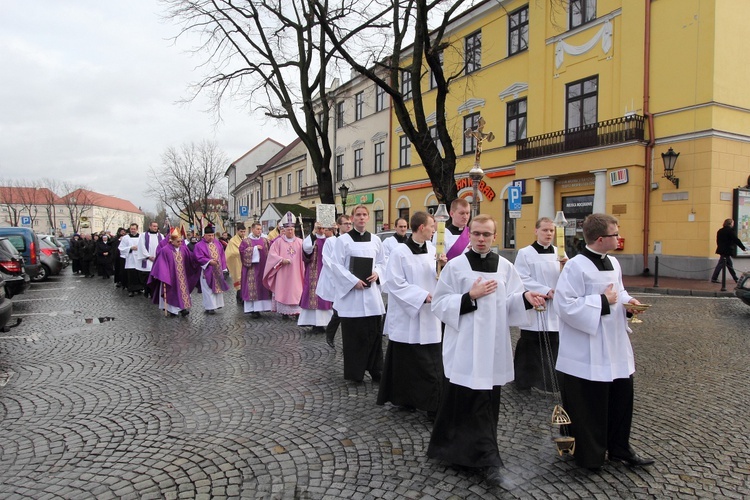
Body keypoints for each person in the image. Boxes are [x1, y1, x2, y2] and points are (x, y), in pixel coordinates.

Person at [428, 214, 546, 488]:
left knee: (486, 402)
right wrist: (470, 297)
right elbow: (440, 304)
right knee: (463, 399)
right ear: (470, 235)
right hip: (465, 346)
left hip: (492, 346)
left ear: (495, 237)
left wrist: (526, 299)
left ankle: (483, 455)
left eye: (487, 235)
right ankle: (462, 453)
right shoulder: (456, 267)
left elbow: (512, 300)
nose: (481, 239)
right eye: (477, 234)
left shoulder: (505, 267)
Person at [554, 213, 654, 471]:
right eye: (615, 234)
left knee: (621, 399)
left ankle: (620, 447)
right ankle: (590, 455)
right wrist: (603, 302)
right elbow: (564, 306)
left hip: (615, 344)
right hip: (587, 349)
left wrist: (628, 303)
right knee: (591, 405)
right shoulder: (576, 266)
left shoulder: (613, 262)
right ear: (600, 239)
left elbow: (617, 292)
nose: (618, 237)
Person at [377, 212, 445, 416]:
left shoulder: (434, 250)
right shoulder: (400, 253)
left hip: (430, 316)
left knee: (431, 363)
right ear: (421, 227)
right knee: (407, 362)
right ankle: (405, 399)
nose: (434, 230)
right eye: (431, 226)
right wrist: (422, 296)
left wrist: (443, 266)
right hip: (408, 315)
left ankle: (433, 404)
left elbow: (439, 278)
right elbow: (394, 283)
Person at [330, 205, 386, 383]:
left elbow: (383, 262)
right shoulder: (343, 240)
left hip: (372, 297)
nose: (361, 218)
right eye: (358, 215)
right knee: (354, 338)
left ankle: (376, 370)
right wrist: (352, 281)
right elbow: (336, 265)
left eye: (364, 215)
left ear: (368, 218)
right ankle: (355, 374)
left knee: (374, 336)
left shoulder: (376, 240)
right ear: (352, 218)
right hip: (353, 297)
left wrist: (377, 273)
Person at [513, 217, 566, 392]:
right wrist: (545, 290)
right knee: (531, 344)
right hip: (537, 303)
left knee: (554, 343)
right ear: (536, 231)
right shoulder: (525, 253)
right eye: (545, 230)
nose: (549, 234)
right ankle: (525, 380)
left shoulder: (561, 254)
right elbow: (521, 277)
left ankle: (552, 382)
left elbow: (569, 278)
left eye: (551, 230)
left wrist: (566, 268)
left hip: (555, 307)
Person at [147, 228, 200, 317]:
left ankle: (183, 309)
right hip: (170, 276)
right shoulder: (165, 250)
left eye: (181, 241)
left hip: (182, 276)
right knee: (171, 292)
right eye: (178, 242)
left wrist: (197, 261)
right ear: (172, 241)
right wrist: (163, 274)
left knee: (183, 292)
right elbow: (161, 263)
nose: (180, 243)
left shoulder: (184, 249)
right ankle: (173, 311)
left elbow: (190, 259)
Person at [263, 212, 305, 319]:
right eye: (288, 229)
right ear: (284, 230)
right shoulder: (278, 242)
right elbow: (272, 256)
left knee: (297, 291)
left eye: (292, 229)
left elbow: (306, 256)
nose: (290, 231)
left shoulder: (301, 242)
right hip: (283, 272)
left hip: (297, 273)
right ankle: (284, 312)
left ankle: (297, 312)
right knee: (283, 291)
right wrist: (281, 260)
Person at [321, 215, 352, 348]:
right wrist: (338, 273)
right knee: (339, 309)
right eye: (345, 223)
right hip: (335, 278)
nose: (348, 226)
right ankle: (331, 333)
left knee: (349, 310)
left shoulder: (353, 240)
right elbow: (327, 260)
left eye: (350, 223)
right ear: (338, 226)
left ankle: (349, 341)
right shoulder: (331, 241)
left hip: (351, 279)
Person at [297, 222, 334, 333]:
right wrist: (313, 234)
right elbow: (307, 249)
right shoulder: (312, 239)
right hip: (313, 271)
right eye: (319, 228)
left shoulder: (329, 240)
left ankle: (325, 323)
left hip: (326, 271)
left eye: (323, 228)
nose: (321, 230)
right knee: (312, 295)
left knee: (325, 297)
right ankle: (313, 323)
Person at [193, 226, 231, 314]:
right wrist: (209, 261)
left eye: (212, 235)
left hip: (218, 270)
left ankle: (217, 305)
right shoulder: (199, 245)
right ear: (204, 235)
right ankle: (210, 307)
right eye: (209, 235)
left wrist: (224, 268)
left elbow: (222, 256)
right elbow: (198, 257)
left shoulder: (218, 243)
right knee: (208, 289)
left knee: (217, 288)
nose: (211, 237)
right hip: (206, 271)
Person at [239, 222, 273, 318]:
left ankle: (262, 308)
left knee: (262, 287)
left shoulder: (265, 241)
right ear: (252, 229)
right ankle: (253, 310)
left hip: (263, 268)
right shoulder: (246, 241)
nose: (259, 231)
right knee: (253, 288)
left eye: (260, 229)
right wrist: (254, 249)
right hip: (251, 270)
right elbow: (242, 252)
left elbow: (272, 249)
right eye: (257, 229)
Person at [710, 218, 747, 284]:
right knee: (721, 264)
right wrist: (743, 247)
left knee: (729, 265)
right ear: (730, 223)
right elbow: (736, 240)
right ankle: (714, 278)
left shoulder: (720, 231)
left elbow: (717, 240)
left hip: (721, 249)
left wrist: (720, 247)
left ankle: (736, 279)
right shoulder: (730, 231)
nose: (733, 224)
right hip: (727, 250)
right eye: (732, 223)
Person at [137, 221, 164, 298]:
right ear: (150, 226)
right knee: (146, 277)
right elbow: (142, 246)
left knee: (156, 277)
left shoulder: (161, 236)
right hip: (148, 259)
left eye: (156, 226)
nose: (155, 228)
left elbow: (164, 247)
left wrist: (158, 257)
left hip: (157, 259)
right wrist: (148, 256)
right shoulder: (143, 235)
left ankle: (154, 293)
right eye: (154, 226)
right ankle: (147, 291)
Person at [119, 224, 144, 297]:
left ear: (137, 229)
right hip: (130, 258)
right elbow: (121, 248)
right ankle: (131, 290)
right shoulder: (125, 238)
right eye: (131, 229)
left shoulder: (141, 237)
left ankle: (139, 288)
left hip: (139, 258)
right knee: (131, 275)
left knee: (138, 274)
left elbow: (145, 247)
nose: (132, 230)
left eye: (134, 229)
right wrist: (130, 248)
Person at [225, 222, 247, 304]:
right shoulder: (233, 241)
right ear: (237, 231)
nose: (243, 233)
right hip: (237, 262)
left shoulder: (246, 239)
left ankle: (244, 296)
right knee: (239, 279)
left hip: (245, 263)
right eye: (241, 231)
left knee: (245, 280)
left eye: (244, 231)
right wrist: (242, 252)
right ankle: (239, 297)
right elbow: (230, 253)